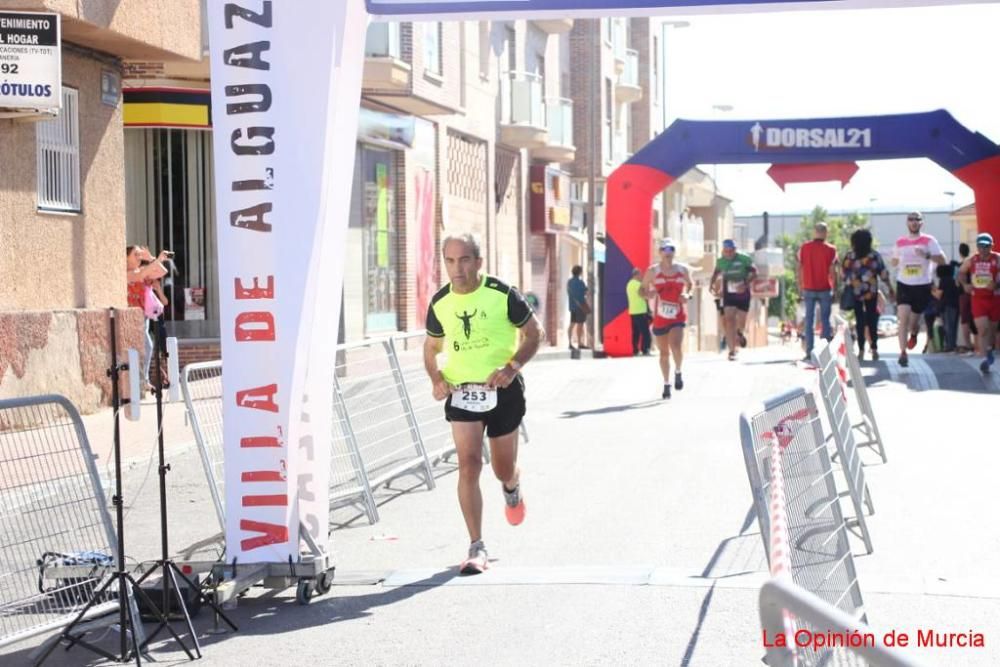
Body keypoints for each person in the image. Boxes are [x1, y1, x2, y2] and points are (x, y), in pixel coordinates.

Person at [423, 233, 543, 575]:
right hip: (462, 393)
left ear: (478, 262)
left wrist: (512, 368)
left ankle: (511, 485)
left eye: (463, 260)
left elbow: (536, 334)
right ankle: (476, 546)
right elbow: (431, 349)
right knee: (468, 464)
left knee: (501, 468)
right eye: (449, 260)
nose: (456, 268)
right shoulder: (440, 302)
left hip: (503, 392)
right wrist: (436, 378)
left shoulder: (502, 294)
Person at [890, 212, 946, 367]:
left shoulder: (929, 241)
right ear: (907, 223)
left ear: (922, 223)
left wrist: (927, 255)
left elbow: (943, 260)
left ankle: (913, 333)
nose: (914, 222)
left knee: (913, 322)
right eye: (911, 219)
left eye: (917, 220)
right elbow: (894, 262)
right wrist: (895, 260)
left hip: (922, 285)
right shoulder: (900, 242)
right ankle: (903, 353)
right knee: (903, 319)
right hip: (904, 284)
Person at [641, 239, 693, 398]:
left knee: (675, 346)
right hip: (660, 317)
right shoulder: (652, 271)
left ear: (674, 252)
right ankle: (666, 384)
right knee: (664, 353)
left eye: (671, 249)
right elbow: (641, 290)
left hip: (677, 315)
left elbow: (690, 286)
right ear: (660, 252)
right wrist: (647, 294)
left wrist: (687, 295)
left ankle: (678, 371)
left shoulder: (683, 270)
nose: (668, 252)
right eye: (665, 249)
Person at [842, 228, 894, 361]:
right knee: (872, 320)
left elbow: (844, 275)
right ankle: (874, 348)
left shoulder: (850, 256)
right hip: (871, 292)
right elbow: (883, 274)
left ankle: (861, 350)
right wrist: (890, 288)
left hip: (856, 292)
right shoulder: (874, 256)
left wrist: (853, 281)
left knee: (860, 321)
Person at [126, 245, 170, 387]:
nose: (139, 257)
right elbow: (140, 276)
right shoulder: (127, 273)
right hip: (132, 317)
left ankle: (141, 380)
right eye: (136, 255)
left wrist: (151, 258)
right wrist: (157, 260)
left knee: (145, 347)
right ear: (126, 257)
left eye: (140, 254)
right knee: (147, 346)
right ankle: (141, 381)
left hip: (143, 316)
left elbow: (163, 272)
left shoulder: (142, 270)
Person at [958, 232, 999, 373]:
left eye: (986, 246)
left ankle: (989, 350)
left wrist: (997, 285)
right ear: (977, 246)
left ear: (991, 246)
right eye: (980, 246)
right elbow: (961, 273)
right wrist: (965, 285)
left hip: (994, 299)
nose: (983, 249)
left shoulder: (997, 259)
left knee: (992, 331)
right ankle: (984, 359)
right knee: (983, 329)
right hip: (978, 299)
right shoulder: (972, 260)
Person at [797, 222, 839, 362]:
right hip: (825, 288)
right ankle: (825, 351)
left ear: (814, 232)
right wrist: (836, 288)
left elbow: (800, 268)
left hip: (808, 287)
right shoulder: (831, 249)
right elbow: (833, 271)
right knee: (825, 321)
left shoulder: (804, 248)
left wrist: (799, 287)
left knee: (809, 320)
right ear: (826, 233)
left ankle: (809, 351)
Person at [710, 239, 757, 361]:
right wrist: (711, 284)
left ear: (735, 250)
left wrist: (745, 284)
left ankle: (740, 332)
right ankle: (731, 351)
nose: (729, 254)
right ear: (723, 251)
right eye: (726, 251)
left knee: (741, 321)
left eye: (731, 251)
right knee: (729, 320)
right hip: (729, 294)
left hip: (743, 294)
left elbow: (755, 272)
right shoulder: (721, 261)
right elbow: (716, 273)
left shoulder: (744, 258)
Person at [935, 258, 961, 353]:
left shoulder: (943, 280)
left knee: (948, 326)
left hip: (946, 306)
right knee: (953, 326)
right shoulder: (953, 279)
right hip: (955, 305)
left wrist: (931, 290)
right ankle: (952, 344)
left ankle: (949, 345)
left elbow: (939, 294)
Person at [626, 268, 651, 356]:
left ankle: (635, 350)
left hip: (633, 311)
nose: (641, 276)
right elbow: (644, 296)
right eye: (640, 275)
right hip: (641, 311)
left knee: (635, 332)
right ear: (636, 275)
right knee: (645, 332)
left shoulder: (629, 284)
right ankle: (645, 349)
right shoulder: (638, 284)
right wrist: (651, 294)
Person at [956, 242, 975, 353]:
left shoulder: (958, 265)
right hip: (977, 292)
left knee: (965, 320)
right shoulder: (973, 262)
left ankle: (968, 344)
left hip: (963, 294)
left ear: (960, 252)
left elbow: (956, 282)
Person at [566, 265, 590, 350]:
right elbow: (586, 293)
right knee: (580, 324)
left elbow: (569, 293)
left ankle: (569, 343)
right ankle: (580, 343)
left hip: (572, 306)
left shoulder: (569, 282)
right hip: (580, 306)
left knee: (572, 324)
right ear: (580, 272)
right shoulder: (581, 282)